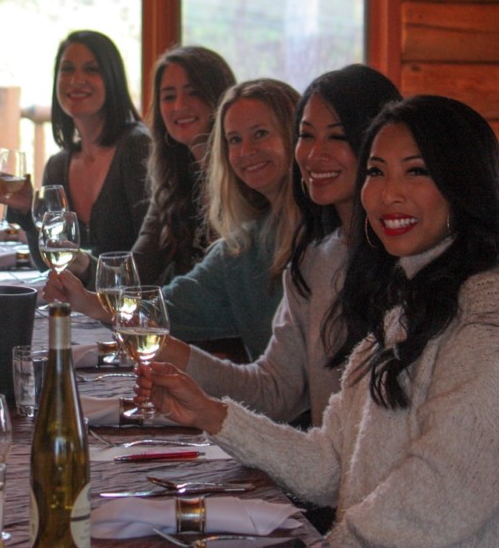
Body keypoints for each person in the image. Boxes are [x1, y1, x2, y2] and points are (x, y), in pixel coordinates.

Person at [141, 95, 499, 545]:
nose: (388, 194)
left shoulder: (485, 324)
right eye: (376, 171)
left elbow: (431, 509)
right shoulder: (406, 304)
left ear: (464, 184)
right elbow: (332, 462)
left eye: (417, 171)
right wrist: (213, 415)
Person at [153, 64, 401, 426]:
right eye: (307, 135)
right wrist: (163, 352)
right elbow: (273, 391)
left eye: (336, 136)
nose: (315, 154)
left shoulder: (413, 263)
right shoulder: (316, 259)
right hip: (326, 468)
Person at [48, 78, 301, 360]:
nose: (245, 151)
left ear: (297, 135)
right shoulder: (244, 247)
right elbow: (170, 306)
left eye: (261, 133)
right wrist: (88, 302)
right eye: (235, 140)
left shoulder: (326, 237)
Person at [69, 45, 236, 287]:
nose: (179, 106)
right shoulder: (173, 179)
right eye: (168, 96)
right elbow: (138, 270)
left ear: (219, 96)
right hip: (178, 316)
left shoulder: (242, 174)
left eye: (193, 93)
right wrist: (83, 263)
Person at [0, 30, 151, 266]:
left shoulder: (136, 148)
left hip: (133, 301)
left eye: (91, 69)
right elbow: (50, 264)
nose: (77, 80)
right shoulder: (58, 166)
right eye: (67, 69)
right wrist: (28, 211)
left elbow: (152, 261)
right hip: (78, 303)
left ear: (113, 79)